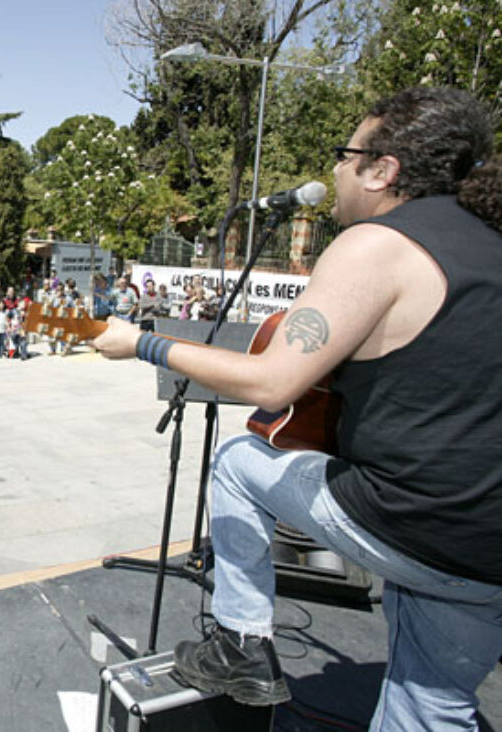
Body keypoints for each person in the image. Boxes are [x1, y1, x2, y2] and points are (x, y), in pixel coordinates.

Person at [93, 87, 502, 730]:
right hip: (487, 552)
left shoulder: (379, 244)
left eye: (347, 154)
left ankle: (241, 645)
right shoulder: (489, 240)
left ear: (383, 169)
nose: (336, 170)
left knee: (235, 464)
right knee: (432, 706)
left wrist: (143, 342)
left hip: (413, 521)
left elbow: (272, 383)